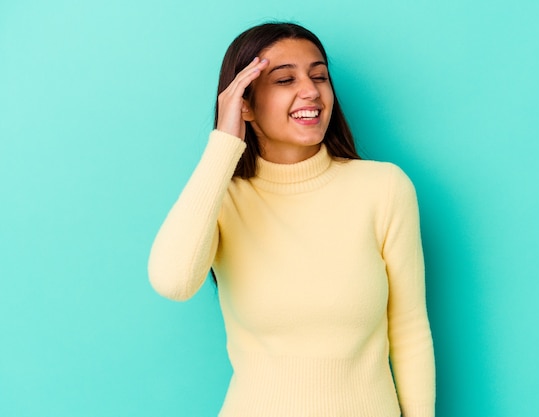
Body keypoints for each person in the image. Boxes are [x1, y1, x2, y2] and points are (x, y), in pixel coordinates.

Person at [148, 22, 435, 417]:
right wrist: (224, 144)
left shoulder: (383, 188)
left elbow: (409, 330)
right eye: (285, 79)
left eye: (319, 76)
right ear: (244, 103)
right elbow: (173, 282)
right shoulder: (222, 199)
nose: (311, 91)